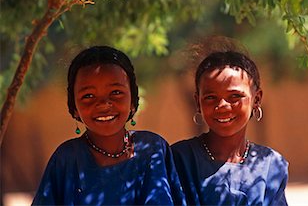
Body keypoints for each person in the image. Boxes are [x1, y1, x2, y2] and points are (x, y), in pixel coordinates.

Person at [32, 45, 185, 205]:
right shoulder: (67, 159)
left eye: (116, 92)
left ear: (133, 99)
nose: (104, 104)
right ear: (74, 106)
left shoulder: (153, 148)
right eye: (88, 95)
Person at [171, 38, 289, 206]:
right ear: (198, 102)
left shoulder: (271, 164)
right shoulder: (179, 159)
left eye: (235, 96)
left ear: (256, 99)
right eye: (211, 98)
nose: (223, 106)